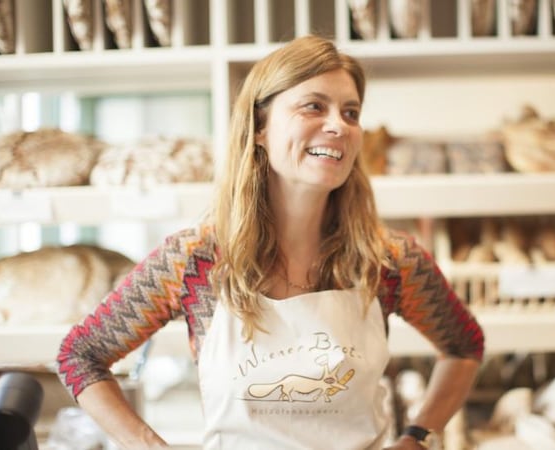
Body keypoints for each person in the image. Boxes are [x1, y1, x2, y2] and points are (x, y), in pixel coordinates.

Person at [57, 35, 484, 450]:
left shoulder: (388, 260)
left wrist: (419, 438)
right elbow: (80, 355)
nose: (339, 125)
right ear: (260, 127)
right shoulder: (194, 261)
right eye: (314, 106)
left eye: (350, 112)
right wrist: (149, 445)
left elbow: (464, 346)